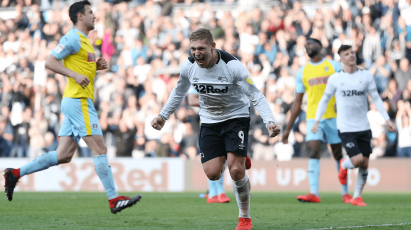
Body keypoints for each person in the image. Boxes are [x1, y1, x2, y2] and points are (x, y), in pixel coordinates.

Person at [3, 1, 141, 214]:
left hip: (74, 101)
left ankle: (15, 173)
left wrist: (95, 67)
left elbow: (79, 66)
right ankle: (114, 199)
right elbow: (49, 61)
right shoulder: (73, 37)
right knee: (100, 148)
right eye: (90, 12)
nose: (94, 16)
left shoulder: (85, 41)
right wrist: (75, 75)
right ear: (80, 16)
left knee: (64, 155)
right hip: (79, 101)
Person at [151, 28, 280, 230]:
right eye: (193, 49)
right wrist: (163, 116)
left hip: (236, 117)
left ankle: (244, 219)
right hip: (210, 121)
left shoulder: (233, 67)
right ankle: (237, 155)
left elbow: (256, 95)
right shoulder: (189, 66)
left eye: (201, 48)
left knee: (236, 171)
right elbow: (179, 92)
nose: (196, 53)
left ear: (213, 46)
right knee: (212, 174)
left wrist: (269, 121)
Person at [312, 45, 396, 206]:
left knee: (365, 163)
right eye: (346, 53)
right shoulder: (336, 79)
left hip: (364, 126)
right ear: (341, 59)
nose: (351, 55)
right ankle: (344, 165)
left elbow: (376, 98)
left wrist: (387, 119)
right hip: (346, 127)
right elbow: (324, 100)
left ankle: (357, 196)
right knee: (356, 160)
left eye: (352, 52)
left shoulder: (365, 76)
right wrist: (316, 121)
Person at [282, 38, 351, 203]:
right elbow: (297, 102)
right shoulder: (302, 72)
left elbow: (346, 86)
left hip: (333, 117)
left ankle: (345, 192)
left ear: (320, 46)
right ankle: (314, 193)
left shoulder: (333, 66)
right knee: (313, 150)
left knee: (337, 154)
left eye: (311, 43)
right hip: (313, 118)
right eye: (306, 45)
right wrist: (287, 129)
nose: (308, 46)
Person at [188, 89, 252, 204]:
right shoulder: (197, 77)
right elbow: (192, 100)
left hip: (228, 122)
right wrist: (215, 104)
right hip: (208, 125)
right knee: (211, 160)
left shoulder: (225, 77)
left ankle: (219, 191)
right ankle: (213, 192)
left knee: (222, 157)